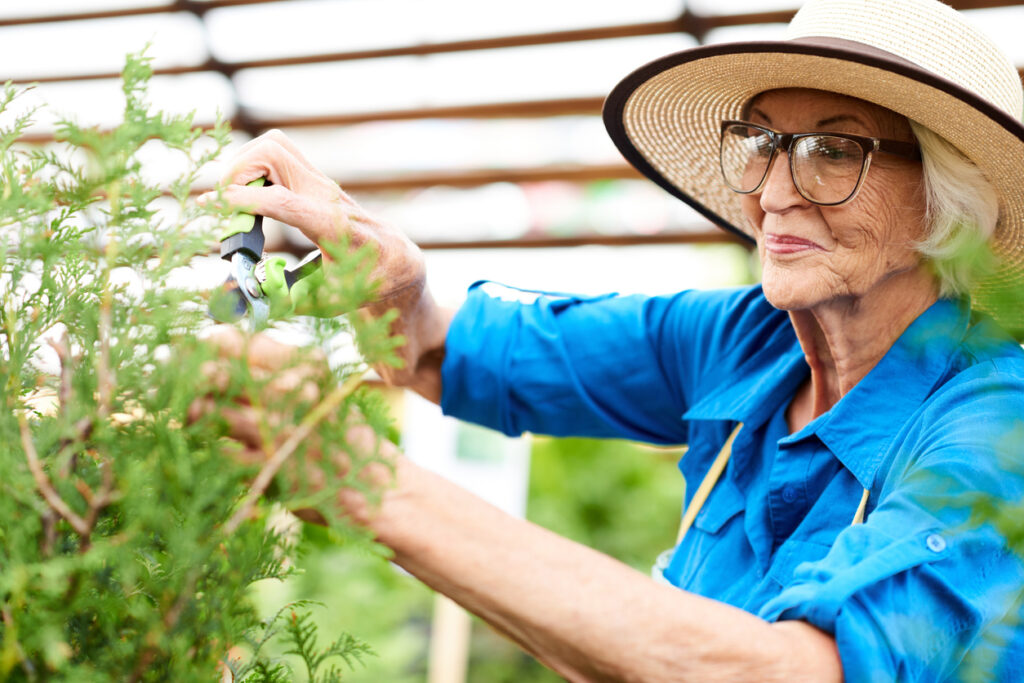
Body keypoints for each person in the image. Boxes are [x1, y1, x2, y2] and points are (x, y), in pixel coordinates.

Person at [203, 0, 1024, 679]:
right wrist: (393, 290)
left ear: (948, 204)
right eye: (765, 141)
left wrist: (361, 479)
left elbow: (787, 672)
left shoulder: (996, 423)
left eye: (832, 151)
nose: (775, 191)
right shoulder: (749, 341)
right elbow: (438, 353)